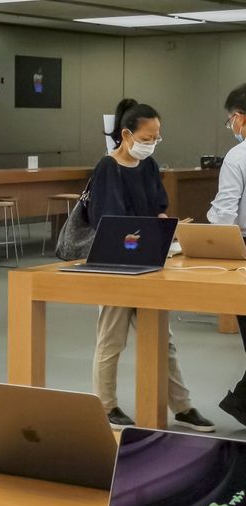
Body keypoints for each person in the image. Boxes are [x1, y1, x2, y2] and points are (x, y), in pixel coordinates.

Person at [88, 98, 214, 432]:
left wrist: (164, 222)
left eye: (156, 137)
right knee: (111, 339)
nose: (152, 143)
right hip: (114, 266)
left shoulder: (149, 165)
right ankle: (106, 406)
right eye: (147, 138)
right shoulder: (107, 168)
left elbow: (158, 205)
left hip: (148, 264)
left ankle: (182, 407)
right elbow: (109, 221)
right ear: (127, 134)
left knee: (163, 340)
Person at [208, 83, 246, 426]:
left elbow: (223, 215)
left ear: (239, 118)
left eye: (230, 120)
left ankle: (242, 404)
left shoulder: (238, 157)